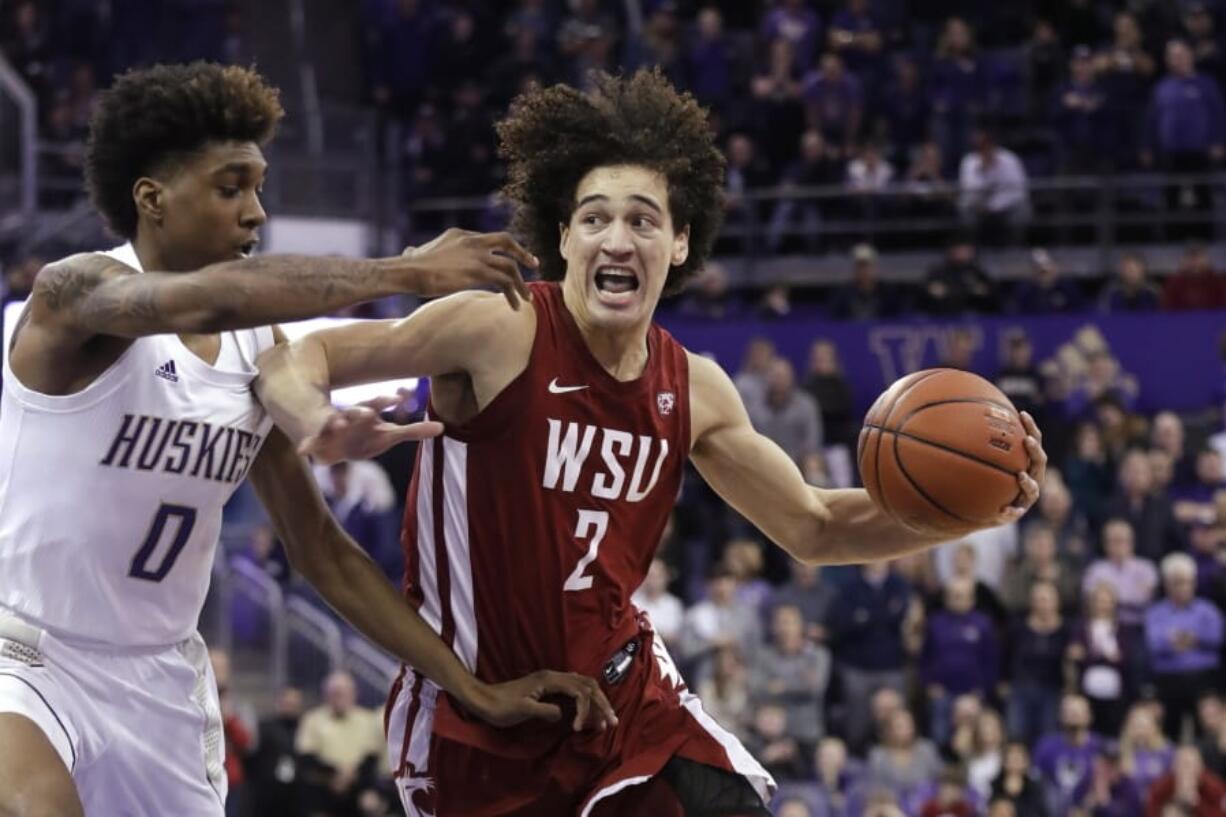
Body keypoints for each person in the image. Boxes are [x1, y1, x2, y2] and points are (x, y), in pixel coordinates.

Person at [254, 69, 1045, 816]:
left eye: (643, 219)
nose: (616, 238)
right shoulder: (500, 328)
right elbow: (300, 356)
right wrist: (314, 421)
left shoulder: (694, 387)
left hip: (627, 701)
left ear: (680, 244)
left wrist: (975, 510)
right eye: (594, 217)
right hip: (474, 716)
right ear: (563, 239)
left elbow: (817, 524)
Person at [0, 62, 614, 817]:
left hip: (159, 677)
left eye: (260, 187)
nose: (255, 212)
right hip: (27, 653)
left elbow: (321, 549)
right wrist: (407, 269)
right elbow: (207, 296)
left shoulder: (255, 343)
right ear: (151, 199)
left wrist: (470, 687)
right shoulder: (72, 295)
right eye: (231, 188)